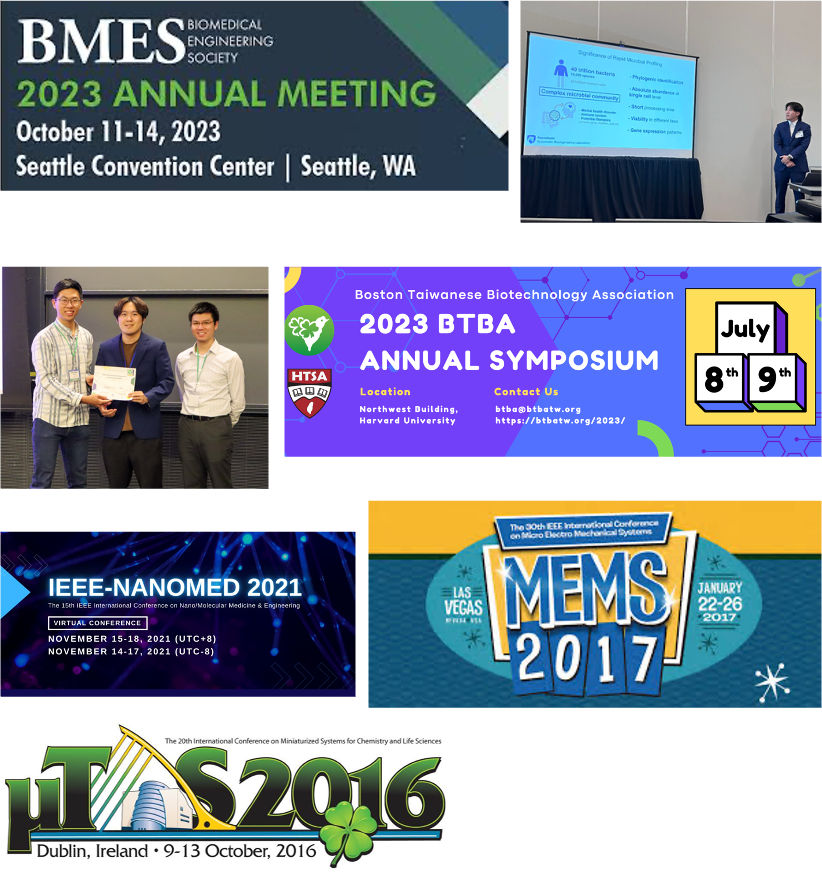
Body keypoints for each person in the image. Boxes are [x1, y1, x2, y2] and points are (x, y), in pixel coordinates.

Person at [30, 278, 110, 488]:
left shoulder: (86, 336)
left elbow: (81, 372)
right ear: (54, 303)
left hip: (78, 420)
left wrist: (90, 380)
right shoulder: (43, 338)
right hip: (49, 418)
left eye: (74, 300)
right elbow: (47, 379)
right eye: (64, 300)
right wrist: (84, 398)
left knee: (78, 481)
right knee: (42, 480)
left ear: (81, 303)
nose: (69, 305)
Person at [92, 296, 174, 488]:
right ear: (117, 319)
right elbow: (99, 386)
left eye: (134, 314)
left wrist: (148, 397)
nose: (129, 319)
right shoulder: (106, 347)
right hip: (114, 434)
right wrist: (100, 407)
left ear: (143, 319)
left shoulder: (156, 346)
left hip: (146, 435)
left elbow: (167, 381)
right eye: (124, 314)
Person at [174, 302, 246, 488]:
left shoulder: (230, 358)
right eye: (196, 323)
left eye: (206, 322)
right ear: (191, 325)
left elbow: (237, 400)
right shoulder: (182, 358)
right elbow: (183, 390)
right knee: (191, 483)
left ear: (216, 324)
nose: (200, 327)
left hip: (216, 427)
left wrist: (222, 424)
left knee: (221, 483)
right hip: (187, 427)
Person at [773, 101, 812, 214]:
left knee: (799, 196)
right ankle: (778, 220)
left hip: (798, 166)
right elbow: (777, 144)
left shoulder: (805, 127)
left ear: (797, 113)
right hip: (781, 165)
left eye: (790, 110)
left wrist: (790, 157)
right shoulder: (780, 127)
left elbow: (804, 145)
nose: (787, 112)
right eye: (786, 109)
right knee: (780, 194)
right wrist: (785, 160)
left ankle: (800, 221)